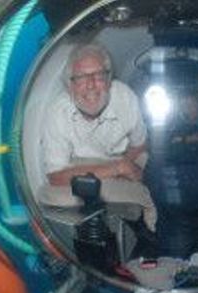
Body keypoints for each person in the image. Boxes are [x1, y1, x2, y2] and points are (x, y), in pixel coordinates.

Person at [39, 43, 157, 231]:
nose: (91, 85)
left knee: (149, 168)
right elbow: (56, 177)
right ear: (70, 86)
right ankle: (142, 198)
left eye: (99, 75)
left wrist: (126, 165)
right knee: (49, 195)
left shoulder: (125, 97)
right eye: (81, 78)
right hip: (79, 167)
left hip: (122, 156)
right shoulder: (57, 112)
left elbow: (140, 146)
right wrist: (117, 169)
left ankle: (145, 218)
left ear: (109, 80)